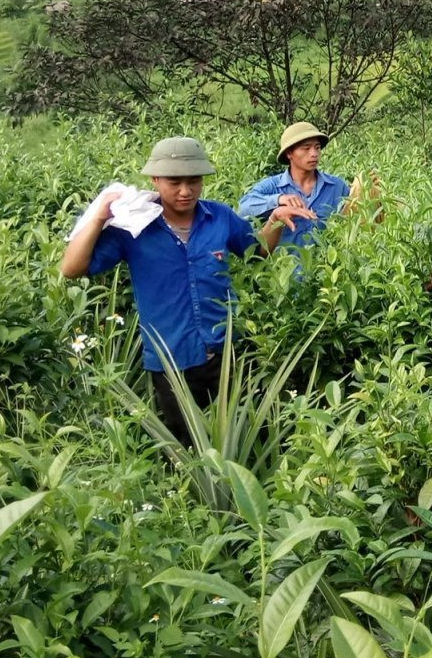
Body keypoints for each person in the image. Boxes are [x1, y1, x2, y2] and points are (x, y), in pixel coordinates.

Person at [61, 137, 302, 446]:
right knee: (187, 449)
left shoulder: (219, 217)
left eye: (194, 181)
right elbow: (71, 268)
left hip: (225, 354)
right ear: (155, 180)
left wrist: (274, 222)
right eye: (174, 182)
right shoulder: (134, 229)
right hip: (171, 363)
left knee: (246, 439)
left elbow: (256, 252)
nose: (185, 191)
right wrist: (99, 216)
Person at [238, 121, 358, 249]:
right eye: (306, 148)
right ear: (289, 153)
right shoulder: (272, 186)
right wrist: (278, 200)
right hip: (285, 267)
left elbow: (354, 219)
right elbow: (242, 209)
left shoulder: (336, 186)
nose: (314, 154)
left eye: (317, 148)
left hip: (325, 266)